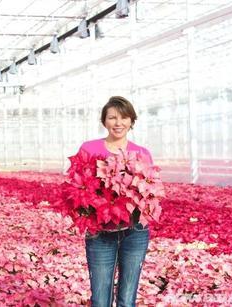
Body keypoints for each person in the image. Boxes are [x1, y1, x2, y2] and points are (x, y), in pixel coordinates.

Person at [73, 96, 153, 307]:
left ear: (131, 120)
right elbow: (75, 183)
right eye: (112, 117)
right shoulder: (89, 149)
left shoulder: (141, 153)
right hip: (100, 232)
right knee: (100, 300)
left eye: (124, 117)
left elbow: (149, 190)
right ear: (104, 121)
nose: (118, 123)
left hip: (134, 231)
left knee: (128, 299)